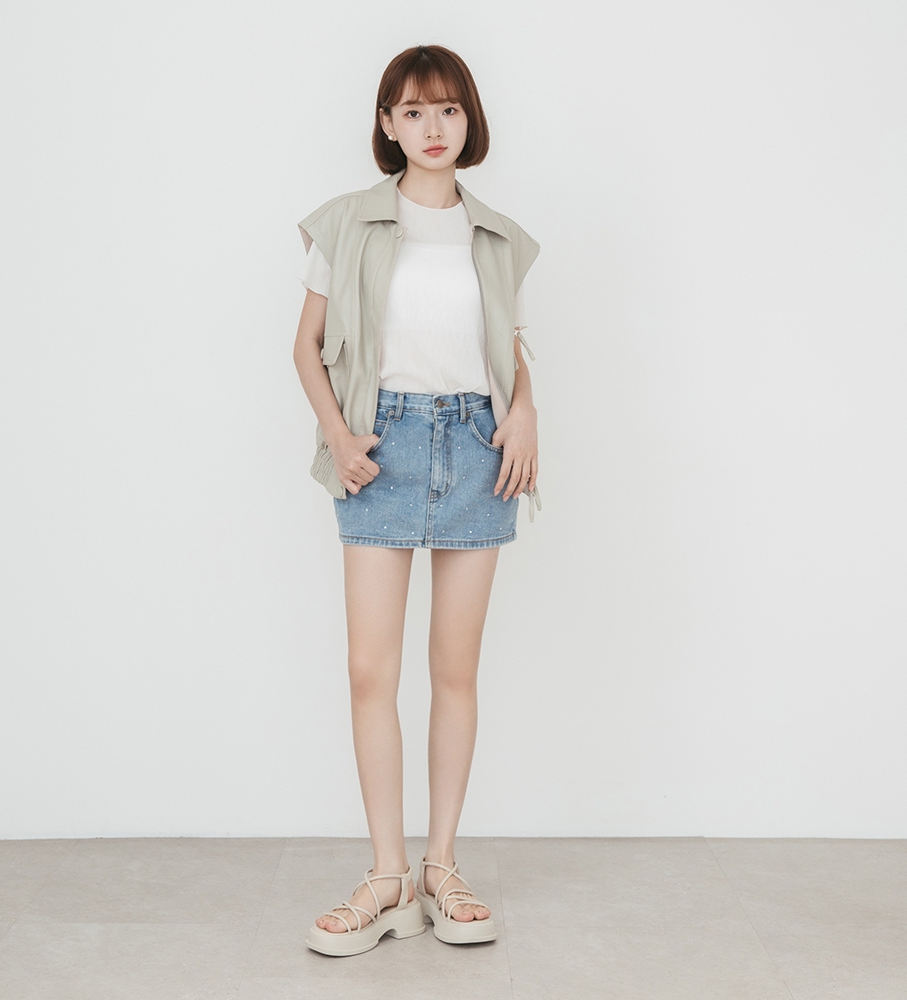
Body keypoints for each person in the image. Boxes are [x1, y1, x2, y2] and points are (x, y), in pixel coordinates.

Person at [293, 44, 541, 957]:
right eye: (412, 111)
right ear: (387, 125)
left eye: (448, 110)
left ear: (469, 120)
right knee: (370, 669)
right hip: (380, 447)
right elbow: (306, 346)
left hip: (477, 445)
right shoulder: (347, 222)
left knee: (454, 670)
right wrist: (338, 434)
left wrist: (526, 412)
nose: (432, 128)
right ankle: (387, 877)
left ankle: (442, 867)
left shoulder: (498, 236)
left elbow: (507, 346)